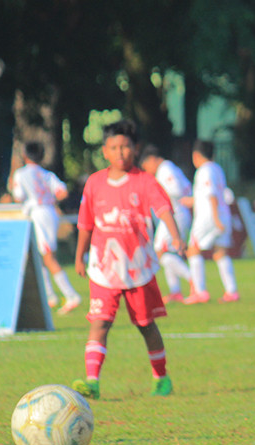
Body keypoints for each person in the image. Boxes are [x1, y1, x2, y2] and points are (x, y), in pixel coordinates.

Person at [70, 120, 184, 400]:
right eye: (114, 147)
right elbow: (86, 223)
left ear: (136, 149)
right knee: (100, 322)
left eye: (125, 146)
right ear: (105, 151)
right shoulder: (95, 183)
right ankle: (92, 381)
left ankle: (161, 377)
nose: (120, 152)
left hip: (137, 267)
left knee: (145, 325)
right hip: (103, 267)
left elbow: (163, 208)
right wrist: (80, 255)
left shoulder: (144, 181)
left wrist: (176, 236)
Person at [9, 141, 83, 315]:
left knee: (48, 256)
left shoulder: (21, 174)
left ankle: (71, 295)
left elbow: (19, 197)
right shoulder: (47, 174)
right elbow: (62, 192)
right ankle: (49, 296)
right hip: (50, 212)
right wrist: (50, 200)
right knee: (42, 256)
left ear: (25, 156)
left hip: (37, 213)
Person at [183, 139, 239, 304]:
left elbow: (211, 194)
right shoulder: (217, 169)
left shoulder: (204, 170)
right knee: (220, 253)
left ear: (196, 155)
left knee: (193, 250)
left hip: (208, 217)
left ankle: (200, 291)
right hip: (223, 215)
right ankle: (232, 291)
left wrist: (215, 218)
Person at [139, 145, 193, 303]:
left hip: (173, 214)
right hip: (176, 214)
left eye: (146, 167)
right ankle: (175, 290)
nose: (148, 171)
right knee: (168, 251)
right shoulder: (170, 168)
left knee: (160, 251)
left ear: (151, 160)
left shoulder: (165, 169)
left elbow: (176, 190)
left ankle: (193, 281)